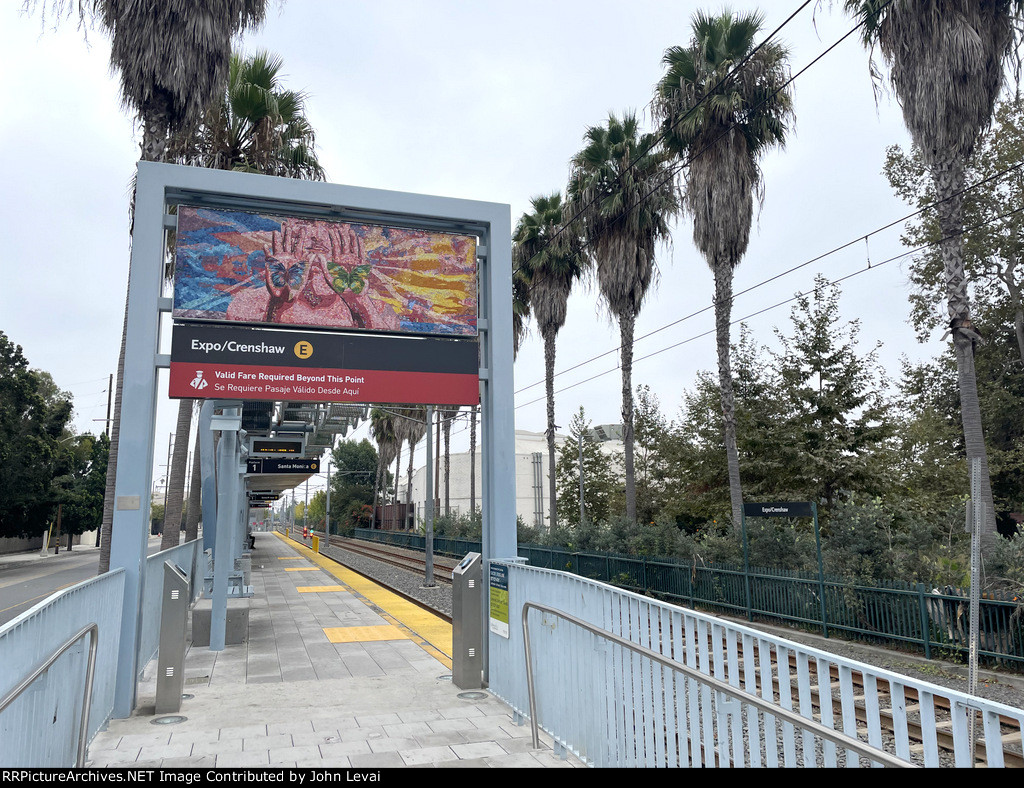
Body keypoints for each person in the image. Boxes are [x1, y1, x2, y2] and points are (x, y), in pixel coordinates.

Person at [226, 219, 400, 331]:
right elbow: (245, 361)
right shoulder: (246, 303)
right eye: (305, 225)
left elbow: (390, 366)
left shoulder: (379, 310)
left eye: (331, 227)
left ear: (348, 234)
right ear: (287, 229)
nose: (317, 238)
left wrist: (358, 301)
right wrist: (278, 304)